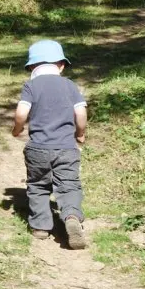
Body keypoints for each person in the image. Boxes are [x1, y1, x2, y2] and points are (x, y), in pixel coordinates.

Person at [11, 39, 88, 249]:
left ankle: (41, 227)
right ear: (61, 65)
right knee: (69, 184)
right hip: (66, 148)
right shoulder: (69, 85)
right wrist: (80, 134)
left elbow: (21, 113)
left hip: (38, 148)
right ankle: (71, 216)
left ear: (32, 67)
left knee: (38, 186)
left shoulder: (31, 85)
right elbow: (81, 114)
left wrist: (17, 130)